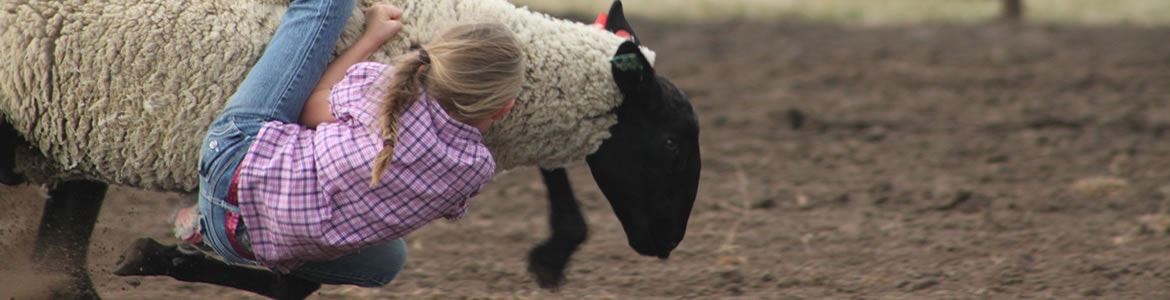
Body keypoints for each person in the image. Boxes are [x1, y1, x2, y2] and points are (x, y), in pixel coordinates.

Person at [176, 0, 526, 287]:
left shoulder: (382, 88)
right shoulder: (477, 170)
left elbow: (311, 108)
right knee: (388, 263)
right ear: (503, 110)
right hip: (244, 243)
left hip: (233, 163)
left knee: (328, 4)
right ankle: (206, 228)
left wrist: (369, 38)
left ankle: (211, 214)